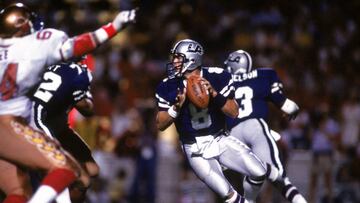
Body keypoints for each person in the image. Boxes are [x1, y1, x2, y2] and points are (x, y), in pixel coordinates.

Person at [0, 2, 136, 202]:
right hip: (21, 124)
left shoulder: (20, 55)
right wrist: (114, 26)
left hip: (37, 124)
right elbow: (85, 107)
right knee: (69, 172)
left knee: (19, 190)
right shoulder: (69, 66)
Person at [155, 39, 281, 203]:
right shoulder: (167, 86)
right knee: (230, 196)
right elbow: (160, 124)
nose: (174, 61)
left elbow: (234, 112)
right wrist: (176, 108)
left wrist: (214, 94)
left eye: (179, 57)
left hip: (220, 139)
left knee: (259, 172)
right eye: (174, 57)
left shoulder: (218, 76)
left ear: (192, 59)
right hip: (195, 149)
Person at [224, 50, 307, 203]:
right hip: (255, 127)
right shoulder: (264, 75)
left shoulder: (221, 80)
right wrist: (293, 109)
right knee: (279, 179)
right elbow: (288, 107)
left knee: (230, 183)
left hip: (231, 134)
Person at [29, 61, 99, 202]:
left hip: (54, 127)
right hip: (38, 125)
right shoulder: (78, 72)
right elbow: (86, 108)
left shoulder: (45, 62)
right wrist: (88, 101)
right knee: (80, 179)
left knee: (91, 170)